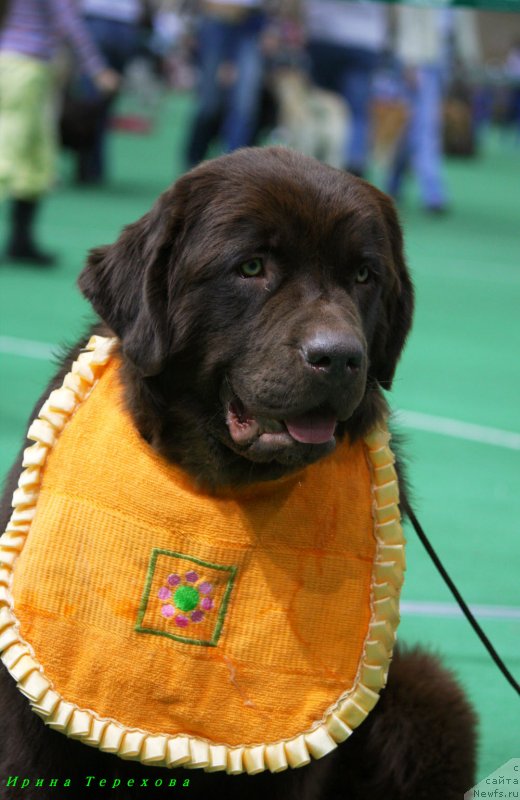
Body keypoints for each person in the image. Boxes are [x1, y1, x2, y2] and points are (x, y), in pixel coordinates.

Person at [0, 0, 119, 266]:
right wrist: (98, 70)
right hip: (25, 69)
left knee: (37, 158)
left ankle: (20, 241)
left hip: (21, 66)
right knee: (7, 157)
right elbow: (69, 23)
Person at [386, 5, 480, 213]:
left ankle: (393, 182)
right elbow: (408, 19)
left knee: (416, 127)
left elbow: (464, 27)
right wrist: (409, 61)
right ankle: (434, 193)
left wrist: (470, 62)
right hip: (420, 61)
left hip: (444, 61)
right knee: (427, 126)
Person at [303, 0, 388, 177]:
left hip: (323, 35)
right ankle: (353, 168)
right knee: (356, 112)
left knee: (320, 108)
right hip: (362, 39)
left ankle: (314, 167)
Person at [184, 0, 268, 167]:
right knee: (210, 105)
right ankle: (193, 162)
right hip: (216, 24)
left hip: (252, 26)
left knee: (244, 107)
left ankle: (236, 169)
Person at [74, 0, 148, 184]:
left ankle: (89, 169)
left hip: (95, 18)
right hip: (127, 24)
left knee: (88, 107)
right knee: (102, 106)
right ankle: (94, 168)